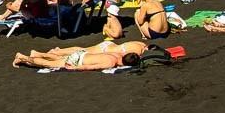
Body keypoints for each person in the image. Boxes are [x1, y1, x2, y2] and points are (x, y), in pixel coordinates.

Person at [13, 49, 141, 71]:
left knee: (59, 58)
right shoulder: (111, 63)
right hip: (78, 61)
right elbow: (90, 67)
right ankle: (22, 57)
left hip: (82, 54)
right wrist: (74, 68)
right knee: (48, 64)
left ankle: (37, 53)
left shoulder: (116, 55)